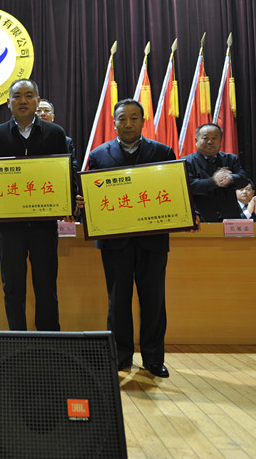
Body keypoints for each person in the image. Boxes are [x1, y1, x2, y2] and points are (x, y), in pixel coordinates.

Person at [86, 99, 177, 378]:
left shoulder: (163, 152)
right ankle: (119, 356)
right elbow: (91, 196)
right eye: (122, 118)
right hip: (115, 242)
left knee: (154, 301)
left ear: (143, 121)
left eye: (134, 118)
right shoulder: (98, 155)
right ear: (113, 122)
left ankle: (153, 359)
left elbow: (174, 190)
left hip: (153, 240)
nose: (128, 123)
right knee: (118, 302)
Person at [0, 79, 71, 331]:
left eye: (29, 95)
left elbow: (63, 174)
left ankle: (49, 342)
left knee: (46, 288)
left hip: (44, 226)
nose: (23, 101)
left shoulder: (55, 134)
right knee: (12, 288)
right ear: (8, 102)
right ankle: (17, 342)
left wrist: (67, 203)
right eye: (17, 96)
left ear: (37, 101)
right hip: (10, 229)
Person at [183, 123, 249, 221]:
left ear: (221, 140)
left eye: (214, 138)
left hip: (230, 219)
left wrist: (229, 178)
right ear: (196, 140)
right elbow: (188, 187)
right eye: (205, 138)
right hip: (201, 220)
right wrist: (213, 181)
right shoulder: (186, 162)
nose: (210, 142)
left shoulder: (231, 159)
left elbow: (243, 180)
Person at [36, 98, 77, 165]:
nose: (42, 114)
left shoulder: (66, 141)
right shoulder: (27, 139)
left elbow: (72, 167)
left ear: (53, 117)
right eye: (38, 110)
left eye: (46, 110)